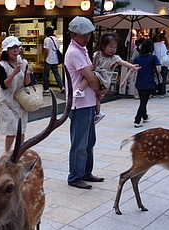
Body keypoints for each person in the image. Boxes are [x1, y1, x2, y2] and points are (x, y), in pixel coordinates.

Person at [65, 16, 106, 190]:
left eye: (88, 34)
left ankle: (85, 172)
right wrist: (100, 89)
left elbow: (91, 74)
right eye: (83, 35)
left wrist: (97, 91)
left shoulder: (82, 49)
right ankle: (75, 177)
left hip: (87, 103)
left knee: (89, 142)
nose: (86, 38)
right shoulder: (74, 52)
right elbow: (90, 77)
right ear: (72, 35)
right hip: (79, 104)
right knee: (80, 144)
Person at [74, 32, 140, 124]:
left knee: (88, 77)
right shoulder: (97, 55)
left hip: (103, 77)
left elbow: (123, 62)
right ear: (103, 46)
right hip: (100, 77)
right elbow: (93, 65)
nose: (113, 50)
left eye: (115, 47)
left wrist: (132, 66)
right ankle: (98, 113)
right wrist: (86, 71)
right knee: (96, 97)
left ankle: (80, 90)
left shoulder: (114, 58)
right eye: (111, 47)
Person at [0, 36, 34, 152]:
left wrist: (28, 74)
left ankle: (20, 152)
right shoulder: (1, 66)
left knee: (21, 130)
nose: (15, 50)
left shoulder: (24, 63)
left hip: (20, 101)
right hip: (6, 102)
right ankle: (7, 154)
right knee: (11, 130)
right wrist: (13, 73)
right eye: (12, 48)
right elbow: (4, 85)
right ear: (6, 51)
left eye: (17, 47)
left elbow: (27, 83)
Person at [121, 39, 161, 128]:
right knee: (143, 102)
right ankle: (137, 120)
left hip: (139, 83)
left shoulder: (137, 58)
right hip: (149, 83)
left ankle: (145, 116)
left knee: (143, 100)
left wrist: (124, 80)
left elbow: (131, 69)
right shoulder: (153, 58)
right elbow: (159, 70)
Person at [42, 27, 65, 94]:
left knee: (46, 75)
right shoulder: (56, 39)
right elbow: (58, 48)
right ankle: (62, 87)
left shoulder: (47, 39)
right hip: (55, 60)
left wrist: (45, 58)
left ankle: (46, 88)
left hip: (49, 60)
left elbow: (46, 50)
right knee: (56, 74)